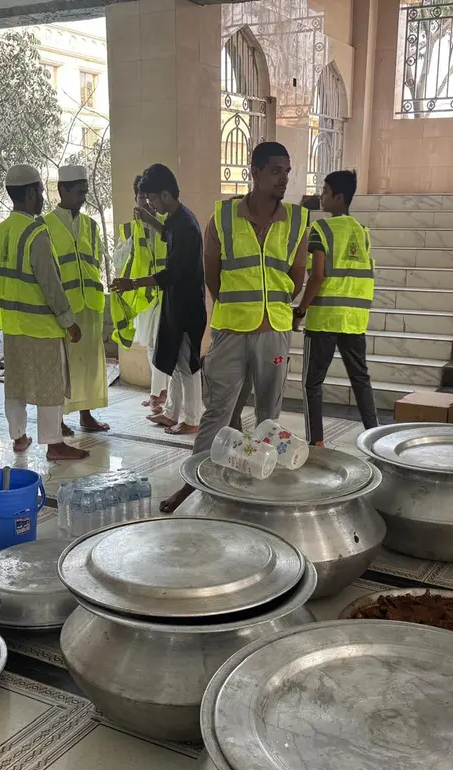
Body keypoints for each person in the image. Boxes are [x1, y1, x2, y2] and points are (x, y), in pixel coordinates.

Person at [161, 142, 308, 512]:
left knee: (269, 414)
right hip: (230, 331)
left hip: (274, 328)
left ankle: (262, 485)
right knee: (218, 412)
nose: (284, 178)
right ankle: (192, 484)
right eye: (276, 170)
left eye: (287, 171)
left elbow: (298, 273)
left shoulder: (296, 219)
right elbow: (211, 273)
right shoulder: (223, 217)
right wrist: (232, 302)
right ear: (254, 172)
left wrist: (275, 304)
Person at [0, 165, 90, 461]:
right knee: (51, 384)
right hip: (41, 325)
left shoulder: (1, 231)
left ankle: (19, 435)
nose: (42, 198)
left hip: (12, 323)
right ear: (30, 192)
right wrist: (68, 320)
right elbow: (50, 282)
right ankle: (54, 444)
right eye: (39, 191)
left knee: (17, 383)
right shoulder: (36, 231)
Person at [111, 163, 205, 436]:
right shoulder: (176, 220)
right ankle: (172, 412)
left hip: (187, 306)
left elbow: (171, 274)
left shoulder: (186, 224)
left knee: (187, 364)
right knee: (174, 360)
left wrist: (133, 283)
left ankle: (191, 418)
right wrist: (149, 219)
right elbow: (167, 233)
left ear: (165, 194)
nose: (151, 204)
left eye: (152, 198)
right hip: (174, 303)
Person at [294, 169, 379, 445]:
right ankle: (373, 434)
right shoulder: (362, 232)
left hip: (324, 320)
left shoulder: (321, 229)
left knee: (312, 383)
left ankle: (316, 442)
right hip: (354, 320)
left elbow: (317, 276)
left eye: (326, 192)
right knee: (360, 379)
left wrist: (301, 310)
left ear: (339, 198)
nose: (321, 196)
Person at [43, 164, 110, 434]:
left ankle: (86, 414)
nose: (84, 197)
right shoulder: (45, 226)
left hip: (90, 305)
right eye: (79, 192)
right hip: (63, 307)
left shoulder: (91, 226)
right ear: (62, 190)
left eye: (85, 191)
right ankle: (57, 419)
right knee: (62, 366)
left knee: (88, 364)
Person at [112, 174, 169, 416]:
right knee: (149, 346)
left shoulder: (167, 225)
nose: (145, 202)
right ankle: (158, 391)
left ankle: (159, 394)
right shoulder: (128, 229)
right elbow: (118, 260)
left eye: (149, 197)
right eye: (141, 197)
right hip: (142, 295)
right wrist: (134, 239)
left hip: (165, 292)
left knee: (159, 344)